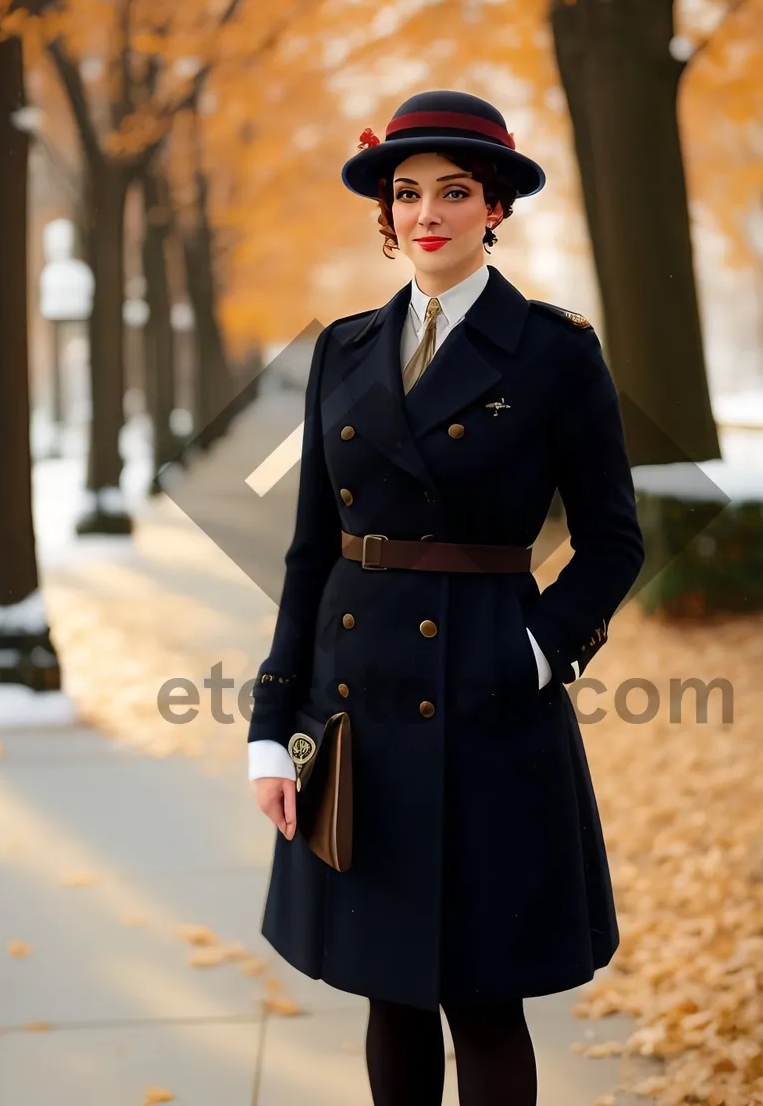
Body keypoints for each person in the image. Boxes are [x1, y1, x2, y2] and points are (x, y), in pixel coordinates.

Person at [247, 89, 645, 1106]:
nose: (429, 212)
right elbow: (307, 553)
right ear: (386, 212)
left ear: (495, 207)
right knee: (389, 991)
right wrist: (273, 729)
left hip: (492, 703)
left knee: (486, 993)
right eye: (407, 191)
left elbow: (611, 542)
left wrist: (534, 653)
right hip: (353, 712)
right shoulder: (338, 350)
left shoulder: (556, 352)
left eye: (456, 192)